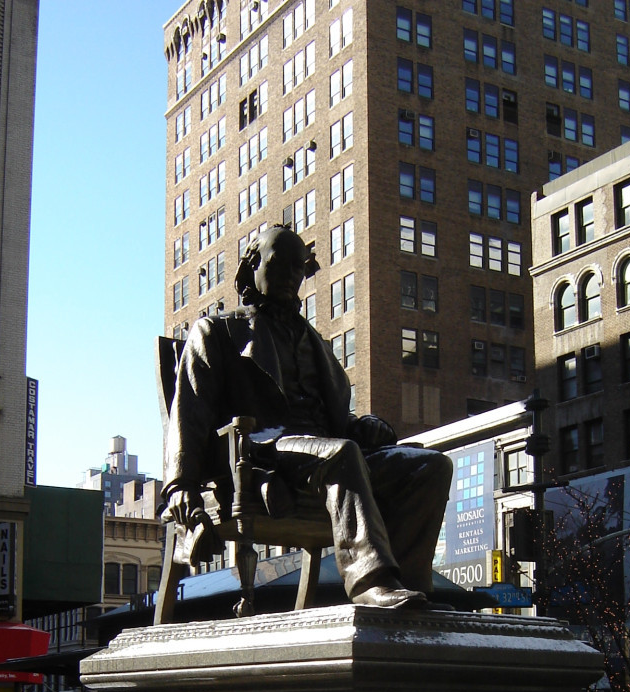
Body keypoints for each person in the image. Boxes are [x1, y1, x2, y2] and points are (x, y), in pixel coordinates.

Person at [163, 225, 453, 610]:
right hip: (265, 451)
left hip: (326, 450)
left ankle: (412, 588)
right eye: (278, 264)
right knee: (342, 454)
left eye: (298, 269)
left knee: (430, 466)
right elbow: (190, 412)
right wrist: (180, 485)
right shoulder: (217, 331)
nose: (290, 277)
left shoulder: (312, 340)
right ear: (253, 266)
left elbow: (333, 418)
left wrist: (361, 426)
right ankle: (371, 583)